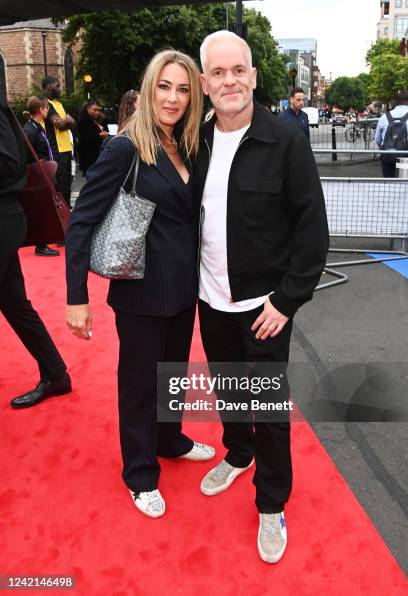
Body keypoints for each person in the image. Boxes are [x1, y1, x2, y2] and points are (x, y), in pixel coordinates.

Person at [195, 31, 328, 563]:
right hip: (210, 300)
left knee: (269, 408)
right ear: (205, 83)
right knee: (229, 391)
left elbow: (312, 229)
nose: (229, 81)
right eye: (218, 73)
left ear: (253, 75)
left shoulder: (286, 140)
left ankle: (272, 502)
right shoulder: (195, 140)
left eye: (238, 70)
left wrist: (287, 300)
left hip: (265, 308)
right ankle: (237, 453)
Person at [65, 50, 214, 519]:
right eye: (165, 86)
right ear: (150, 89)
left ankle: (169, 440)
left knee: (173, 375)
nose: (173, 97)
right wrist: (76, 299)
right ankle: (140, 473)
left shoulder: (187, 145)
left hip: (182, 288)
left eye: (183, 88)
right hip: (140, 291)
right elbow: (81, 223)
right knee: (138, 385)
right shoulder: (125, 147)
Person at [0, 92, 71, 409]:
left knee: (16, 305)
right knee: (15, 305)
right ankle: (56, 375)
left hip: (3, 217)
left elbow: (10, 165)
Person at [23, 95, 60, 257]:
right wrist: (38, 162)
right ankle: (41, 244)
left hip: (44, 172)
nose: (48, 110)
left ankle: (44, 241)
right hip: (38, 174)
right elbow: (26, 154)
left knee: (46, 206)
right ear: (40, 110)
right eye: (46, 107)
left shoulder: (37, 127)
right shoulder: (30, 130)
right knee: (41, 208)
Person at [42, 76, 75, 208]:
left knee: (67, 185)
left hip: (67, 149)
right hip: (57, 150)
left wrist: (67, 121)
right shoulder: (45, 104)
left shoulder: (59, 104)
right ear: (49, 86)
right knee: (60, 186)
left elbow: (72, 123)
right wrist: (67, 120)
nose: (60, 89)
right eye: (57, 85)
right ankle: (61, 216)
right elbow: (60, 124)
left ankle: (67, 215)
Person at [375, 91, 408, 178]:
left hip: (388, 156)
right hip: (406, 157)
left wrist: (386, 149)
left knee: (389, 184)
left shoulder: (384, 117)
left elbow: (377, 140)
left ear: (396, 102)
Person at [77, 100, 110, 175]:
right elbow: (84, 138)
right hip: (89, 157)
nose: (97, 112)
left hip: (99, 155)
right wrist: (99, 136)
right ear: (88, 109)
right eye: (95, 110)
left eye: (98, 110)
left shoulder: (98, 120)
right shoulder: (83, 121)